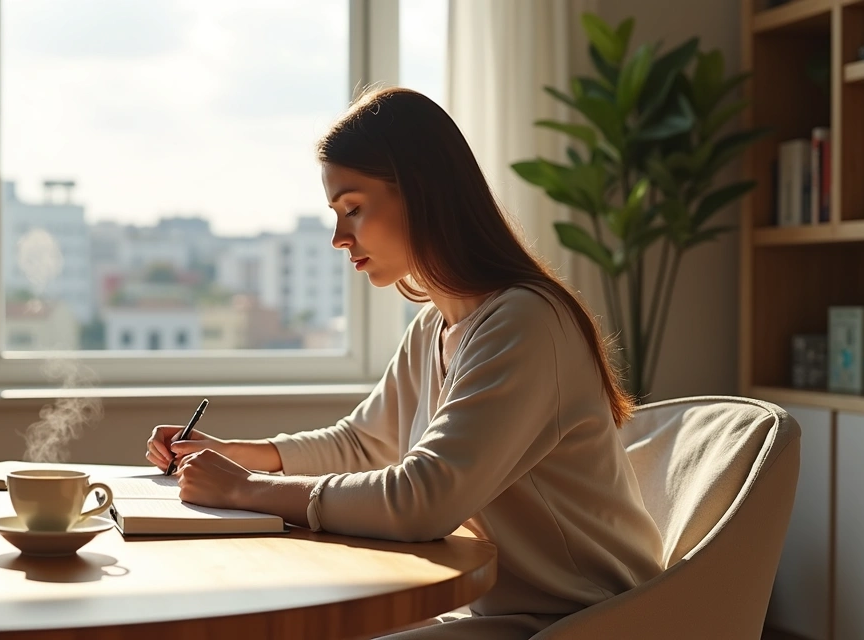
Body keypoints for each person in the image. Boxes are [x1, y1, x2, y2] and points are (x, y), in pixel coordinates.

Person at [144, 87, 664, 639]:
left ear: (421, 194)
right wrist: (234, 455)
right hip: (495, 610)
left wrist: (245, 490)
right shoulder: (436, 326)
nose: (339, 238)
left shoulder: (525, 322)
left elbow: (425, 499)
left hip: (581, 621)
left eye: (354, 209)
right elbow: (364, 444)